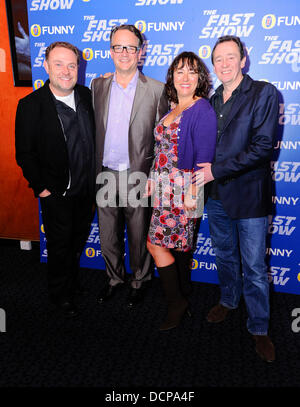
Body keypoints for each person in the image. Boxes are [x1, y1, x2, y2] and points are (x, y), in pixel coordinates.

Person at [195, 35, 279, 362]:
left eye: (231, 57)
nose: (225, 63)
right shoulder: (211, 100)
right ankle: (228, 300)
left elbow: (261, 147)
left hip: (249, 196)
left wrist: (216, 170)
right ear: (213, 64)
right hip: (216, 198)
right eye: (219, 58)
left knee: (255, 267)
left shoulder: (263, 93)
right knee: (225, 256)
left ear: (244, 59)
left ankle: (259, 327)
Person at [15, 41, 95, 318]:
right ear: (46, 66)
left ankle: (71, 283)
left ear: (78, 68)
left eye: (71, 65)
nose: (65, 71)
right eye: (58, 64)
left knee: (76, 241)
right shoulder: (30, 105)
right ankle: (60, 293)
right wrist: (43, 189)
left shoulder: (87, 97)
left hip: (87, 189)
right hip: (56, 192)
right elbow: (25, 153)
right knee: (59, 246)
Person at [91, 24, 168, 307]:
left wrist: (153, 176)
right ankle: (114, 279)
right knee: (108, 235)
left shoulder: (157, 90)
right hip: (105, 173)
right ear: (110, 51)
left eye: (130, 47)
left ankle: (139, 281)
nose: (123, 53)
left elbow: (162, 141)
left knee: (138, 236)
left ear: (141, 52)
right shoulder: (97, 85)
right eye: (117, 47)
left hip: (138, 175)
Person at [145, 51, 217, 330]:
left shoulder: (202, 110)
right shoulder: (173, 107)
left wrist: (193, 195)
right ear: (171, 77)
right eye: (179, 71)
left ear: (199, 78)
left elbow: (204, 159)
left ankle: (177, 302)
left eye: (191, 71)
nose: (185, 77)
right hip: (163, 189)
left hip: (184, 191)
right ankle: (181, 296)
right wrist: (153, 177)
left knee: (156, 245)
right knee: (172, 248)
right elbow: (160, 149)